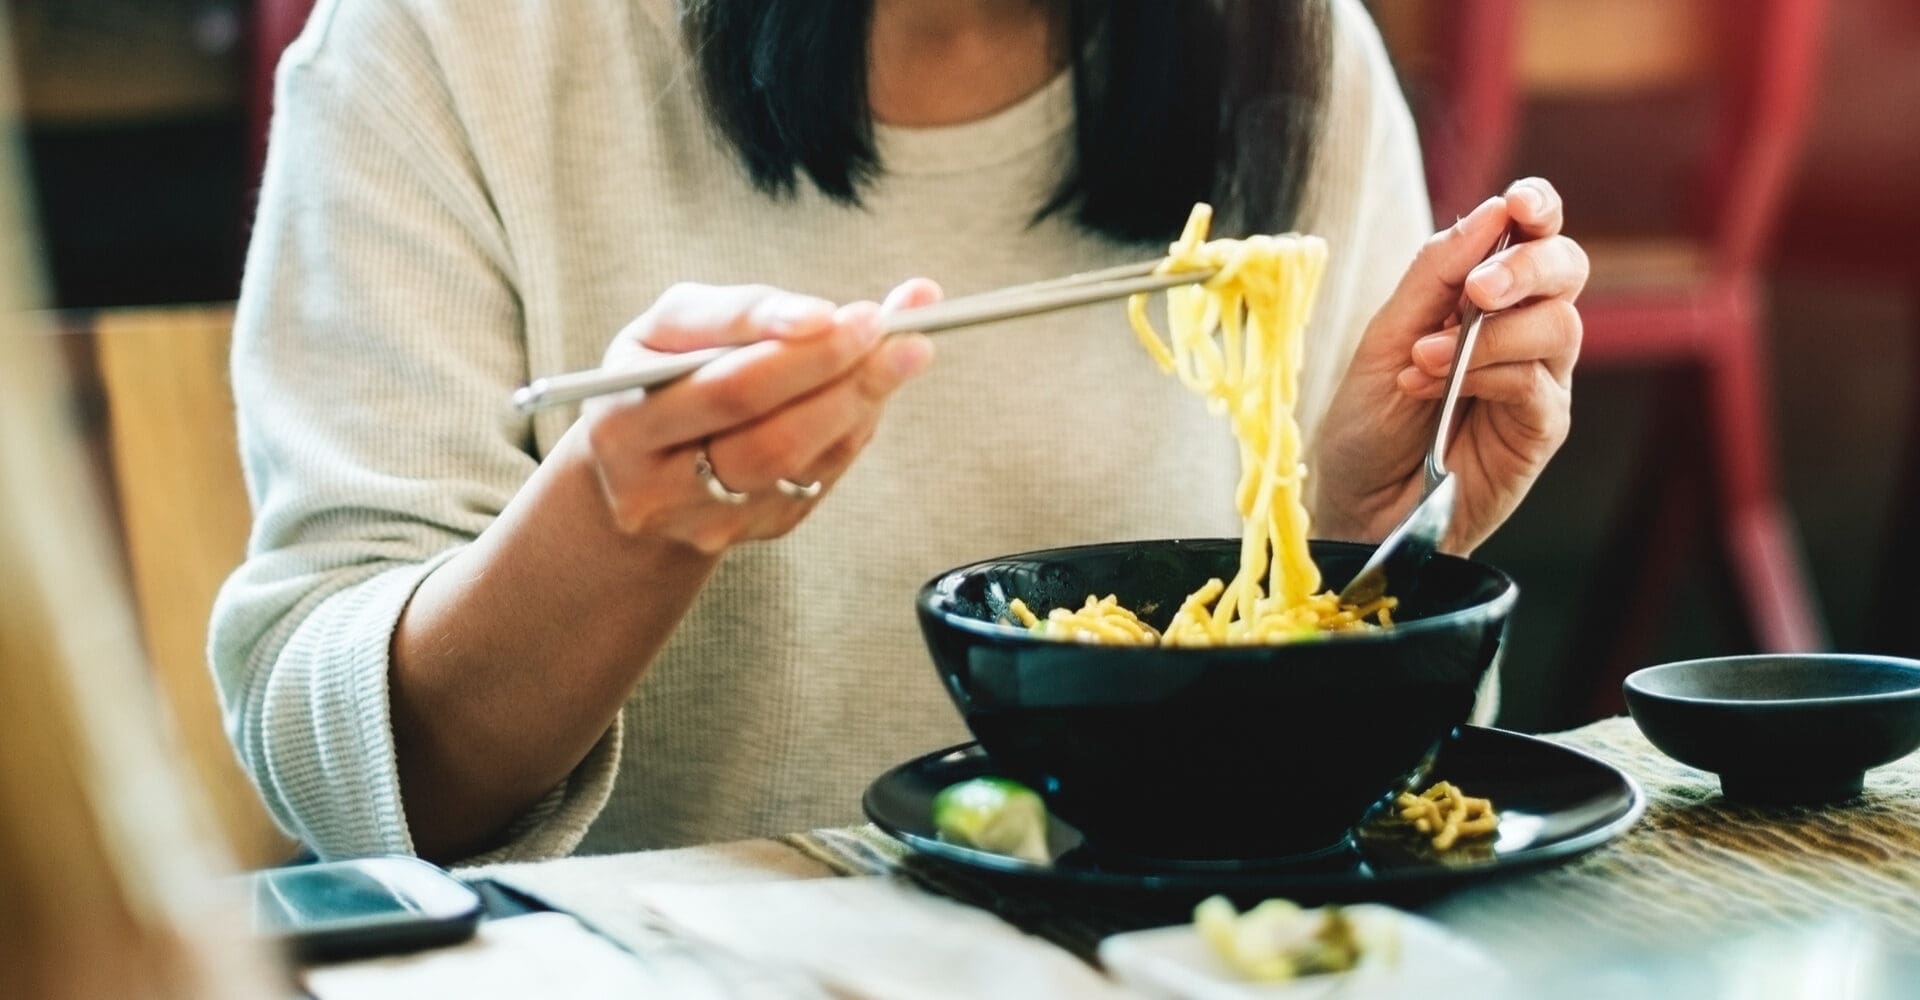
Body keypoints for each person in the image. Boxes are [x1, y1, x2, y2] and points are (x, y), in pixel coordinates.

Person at [213, 0, 1587, 864]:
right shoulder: (444, 45)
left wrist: (1364, 557)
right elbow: (354, 777)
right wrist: (617, 527)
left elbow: (1370, 827)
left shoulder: (1290, 46)